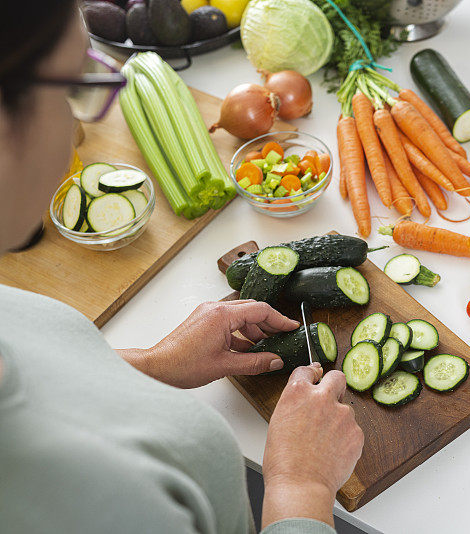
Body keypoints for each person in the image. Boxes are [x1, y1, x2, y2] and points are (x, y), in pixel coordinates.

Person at [0, 2, 364, 533]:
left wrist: (152, 363)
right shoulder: (73, 502)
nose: (77, 126)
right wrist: (300, 490)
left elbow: (43, 376)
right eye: (72, 90)